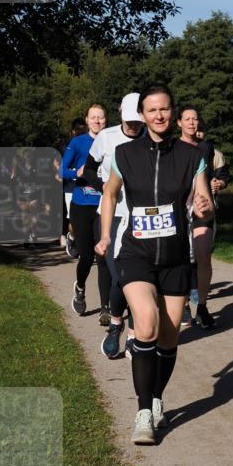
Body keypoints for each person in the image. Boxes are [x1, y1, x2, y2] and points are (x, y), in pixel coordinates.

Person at [95, 85, 213, 444]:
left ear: (172, 113)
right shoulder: (124, 154)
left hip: (175, 257)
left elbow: (204, 198)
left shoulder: (192, 156)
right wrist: (105, 234)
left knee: (169, 335)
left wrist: (205, 206)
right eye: (152, 110)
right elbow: (110, 193)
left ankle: (157, 397)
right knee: (145, 324)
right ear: (143, 115)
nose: (159, 115)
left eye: (164, 109)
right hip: (136, 253)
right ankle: (143, 412)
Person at [82, 93, 145, 359]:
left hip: (141, 218)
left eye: (138, 122)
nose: (134, 126)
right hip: (112, 216)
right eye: (130, 121)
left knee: (140, 280)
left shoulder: (151, 139)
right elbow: (88, 170)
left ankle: (133, 334)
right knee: (120, 277)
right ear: (121, 115)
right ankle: (116, 324)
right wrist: (104, 186)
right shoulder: (106, 137)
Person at [177, 106, 227, 329]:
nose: (191, 122)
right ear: (179, 122)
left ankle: (203, 307)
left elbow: (212, 173)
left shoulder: (206, 147)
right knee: (181, 258)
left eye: (195, 119)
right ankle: (184, 303)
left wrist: (216, 182)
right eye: (187, 119)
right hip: (180, 208)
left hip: (202, 207)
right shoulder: (173, 147)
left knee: (203, 255)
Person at [60, 104, 111, 319]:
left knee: (103, 255)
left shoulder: (111, 140)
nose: (97, 121)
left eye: (101, 117)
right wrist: (77, 172)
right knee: (87, 256)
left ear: (106, 120)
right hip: (81, 205)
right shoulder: (78, 142)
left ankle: (105, 308)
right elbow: (61, 171)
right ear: (87, 120)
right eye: (93, 117)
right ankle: (80, 288)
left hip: (104, 205)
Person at [63, 117, 86, 257]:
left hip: (87, 187)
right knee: (74, 221)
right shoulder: (66, 147)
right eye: (78, 130)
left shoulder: (91, 143)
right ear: (73, 131)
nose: (81, 132)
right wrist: (75, 173)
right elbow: (60, 169)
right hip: (71, 188)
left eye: (84, 130)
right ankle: (72, 237)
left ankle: (86, 247)